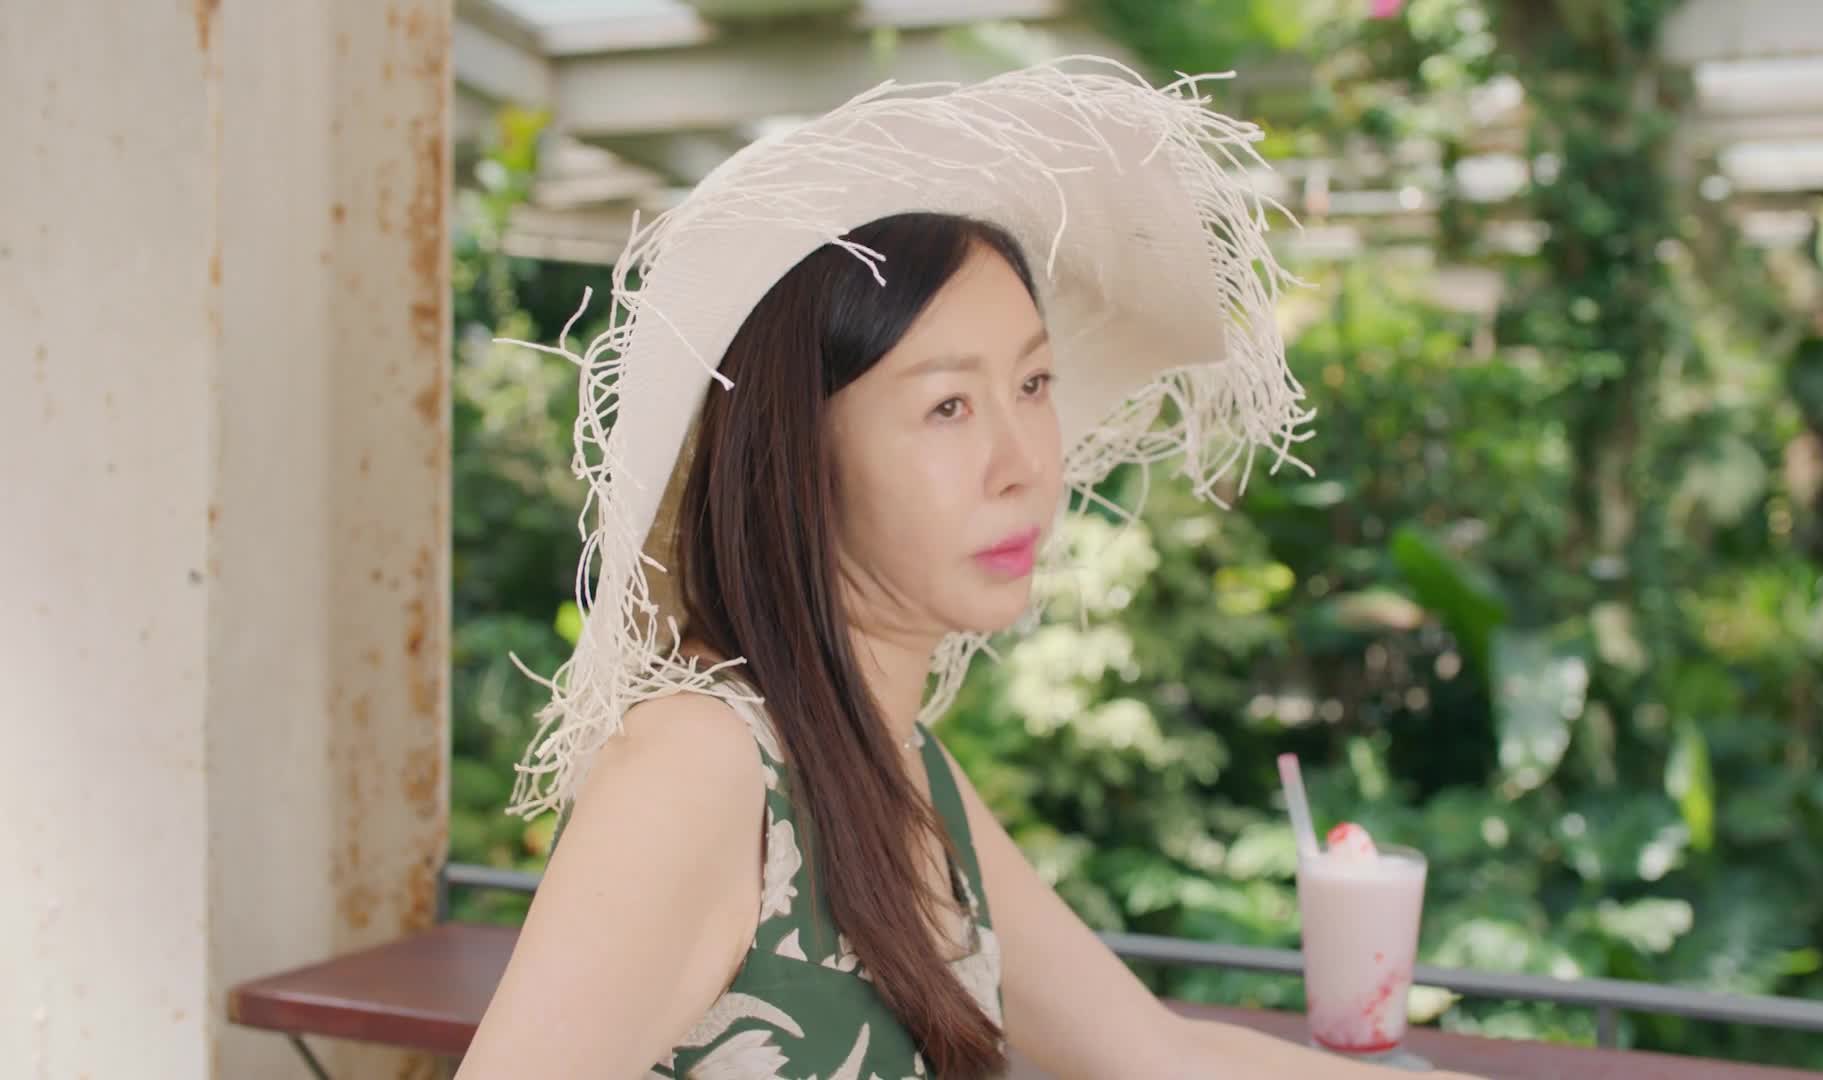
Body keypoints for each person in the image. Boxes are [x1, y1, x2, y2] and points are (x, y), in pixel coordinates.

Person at [455, 59, 1475, 1079]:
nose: (1024, 462)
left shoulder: (889, 761)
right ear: (799, 461)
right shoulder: (699, 764)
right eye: (947, 406)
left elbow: (1158, 1055)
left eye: (1033, 383)